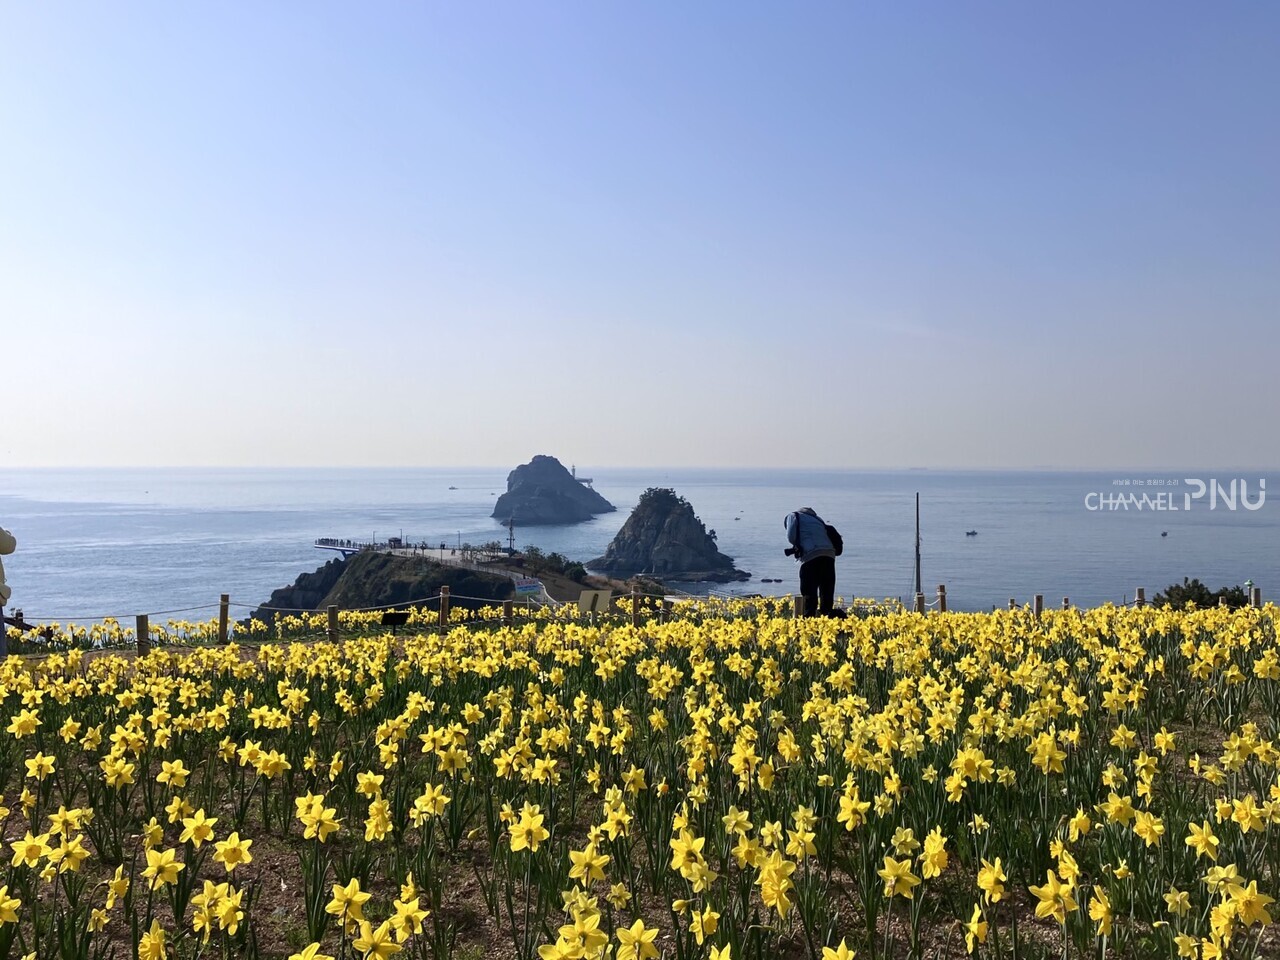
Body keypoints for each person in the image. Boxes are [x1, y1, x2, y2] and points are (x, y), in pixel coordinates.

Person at [784, 507, 838, 617]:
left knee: (809, 592)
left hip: (811, 556)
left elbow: (791, 537)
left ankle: (809, 622)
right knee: (826, 593)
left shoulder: (793, 516)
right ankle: (826, 621)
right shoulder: (818, 519)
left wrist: (797, 544)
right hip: (829, 556)